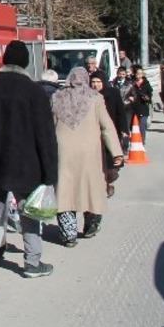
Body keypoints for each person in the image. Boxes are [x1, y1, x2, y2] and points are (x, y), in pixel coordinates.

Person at [0, 40, 58, 289]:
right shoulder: (34, 92)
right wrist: (50, 173)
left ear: (5, 60)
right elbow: (45, 135)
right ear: (26, 62)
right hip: (26, 165)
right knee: (30, 213)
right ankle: (32, 263)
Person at [52, 68, 124, 247]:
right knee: (91, 188)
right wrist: (116, 152)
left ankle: (68, 234)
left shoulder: (56, 97)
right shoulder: (95, 98)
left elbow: (50, 126)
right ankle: (91, 225)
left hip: (64, 151)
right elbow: (106, 126)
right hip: (89, 152)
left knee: (65, 191)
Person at [92, 71, 129, 154]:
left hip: (112, 129)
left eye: (98, 82)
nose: (95, 85)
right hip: (95, 131)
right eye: (93, 82)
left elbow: (121, 112)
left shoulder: (113, 93)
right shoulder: (88, 95)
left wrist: (124, 129)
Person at [128, 67, 154, 143]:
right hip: (133, 108)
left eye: (140, 74)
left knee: (142, 125)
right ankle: (134, 138)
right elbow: (128, 93)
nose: (138, 75)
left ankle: (142, 140)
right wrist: (130, 97)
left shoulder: (146, 83)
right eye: (137, 74)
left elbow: (150, 95)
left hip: (143, 107)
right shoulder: (132, 83)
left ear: (142, 75)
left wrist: (147, 98)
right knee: (133, 125)